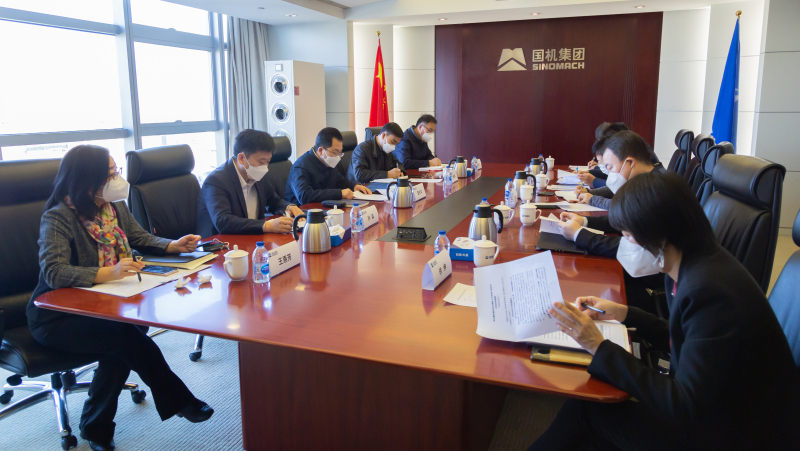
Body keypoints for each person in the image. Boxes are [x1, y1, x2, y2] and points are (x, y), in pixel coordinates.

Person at [528, 171, 800, 451]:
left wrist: (597, 345)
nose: (625, 244)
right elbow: (683, 337)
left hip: (735, 431)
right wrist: (624, 313)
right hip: (718, 404)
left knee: (587, 409)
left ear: (658, 237)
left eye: (628, 236)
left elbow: (684, 404)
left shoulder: (710, 292)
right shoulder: (689, 263)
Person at [28, 145, 213, 451]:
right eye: (111, 174)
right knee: (125, 337)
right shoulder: (58, 217)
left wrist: (172, 245)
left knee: (124, 341)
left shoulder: (113, 207)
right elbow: (54, 271)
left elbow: (139, 237)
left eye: (117, 172)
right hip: (57, 316)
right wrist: (108, 272)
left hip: (105, 305)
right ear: (88, 182)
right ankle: (181, 400)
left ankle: (95, 428)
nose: (117, 179)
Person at [197, 129, 303, 237]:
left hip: (252, 237)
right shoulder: (216, 181)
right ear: (241, 158)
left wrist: (289, 207)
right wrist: (266, 225)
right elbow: (223, 221)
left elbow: (274, 200)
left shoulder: (258, 174)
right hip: (221, 242)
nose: (265, 167)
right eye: (261, 162)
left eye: (267, 162)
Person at [284, 127, 372, 205]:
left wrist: (354, 186)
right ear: (321, 150)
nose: (338, 157)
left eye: (340, 153)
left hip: (325, 208)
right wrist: (339, 193)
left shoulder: (328, 161)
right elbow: (304, 196)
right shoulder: (300, 166)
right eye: (335, 152)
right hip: (301, 213)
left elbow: (340, 181)